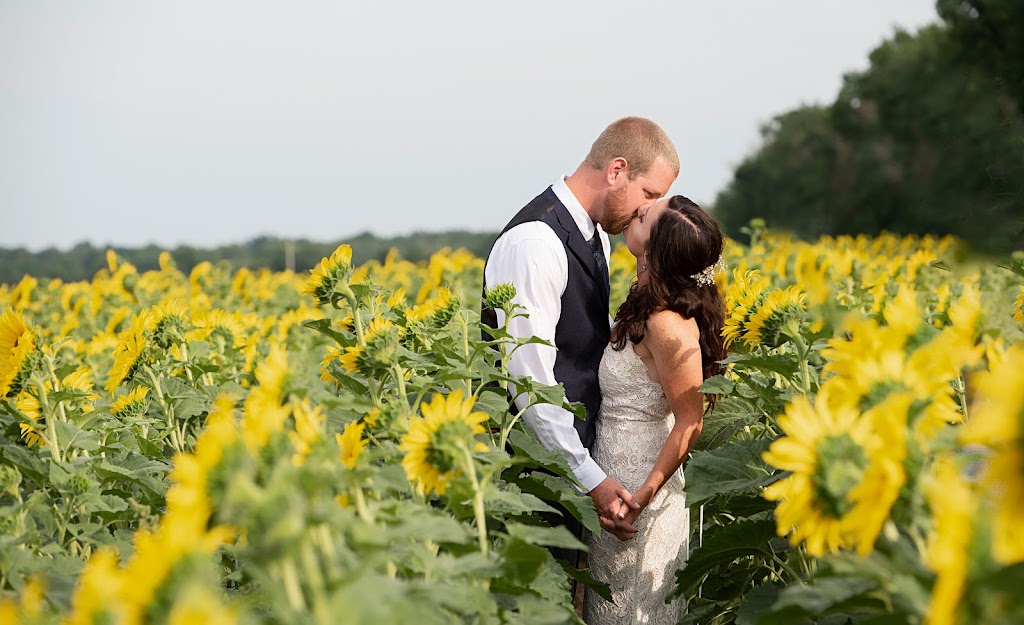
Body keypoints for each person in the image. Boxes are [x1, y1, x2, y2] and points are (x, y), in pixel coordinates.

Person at [481, 117, 679, 562]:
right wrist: (590, 478)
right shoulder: (536, 243)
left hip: (566, 468)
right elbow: (530, 386)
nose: (647, 210)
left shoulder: (595, 238)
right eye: (648, 193)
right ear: (616, 171)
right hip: (531, 476)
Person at [582, 195, 727, 624]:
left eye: (645, 215)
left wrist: (644, 497)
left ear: (657, 251)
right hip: (613, 475)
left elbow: (690, 421)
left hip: (639, 489)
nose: (635, 210)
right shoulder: (646, 301)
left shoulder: (668, 323)